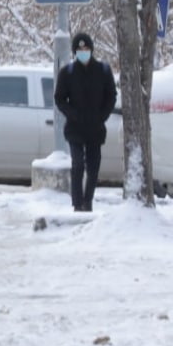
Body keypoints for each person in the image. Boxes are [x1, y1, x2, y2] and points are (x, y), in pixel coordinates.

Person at [54, 31, 117, 213]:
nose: (83, 51)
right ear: (75, 51)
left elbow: (111, 96)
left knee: (93, 166)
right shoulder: (68, 72)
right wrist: (72, 114)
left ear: (91, 49)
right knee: (78, 164)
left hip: (96, 128)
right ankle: (77, 203)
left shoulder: (103, 71)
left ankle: (88, 200)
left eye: (86, 48)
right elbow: (59, 98)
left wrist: (102, 116)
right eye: (80, 49)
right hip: (75, 128)